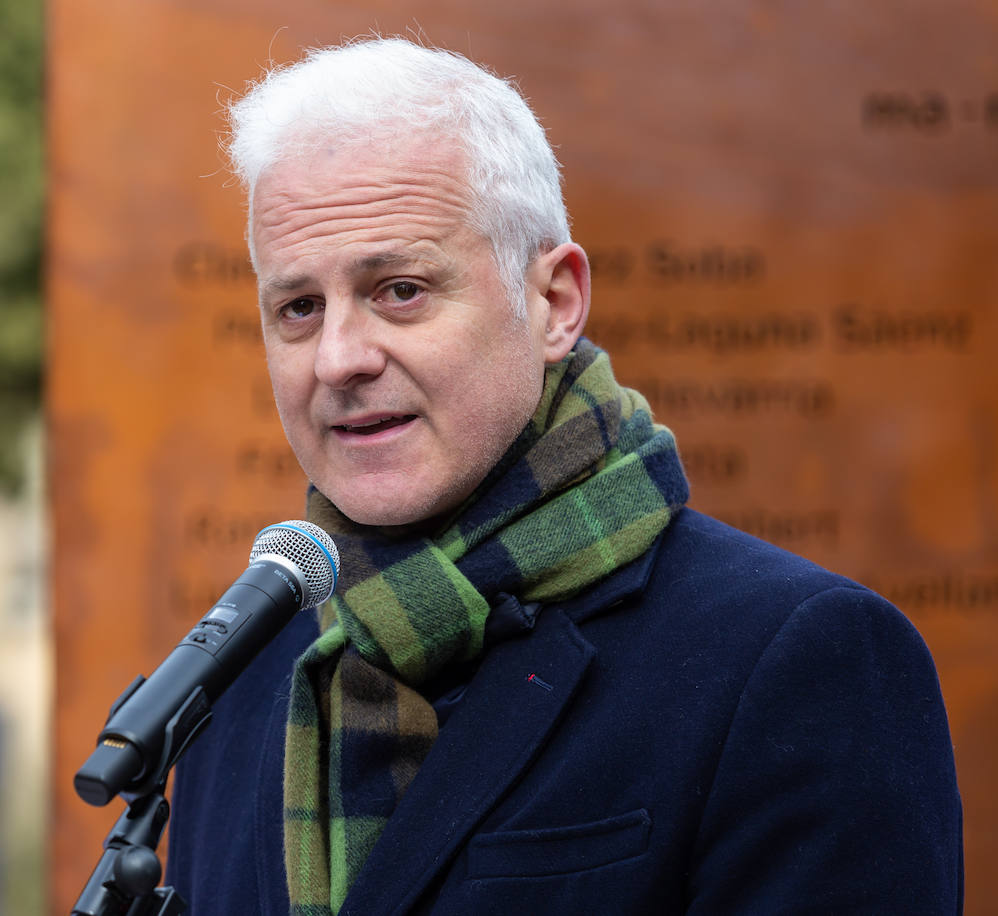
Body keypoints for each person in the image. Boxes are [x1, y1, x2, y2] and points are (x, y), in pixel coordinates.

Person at [165, 38, 963, 914]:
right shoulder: (235, 688)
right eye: (299, 308)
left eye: (399, 290)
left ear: (553, 302)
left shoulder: (798, 661)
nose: (339, 359)